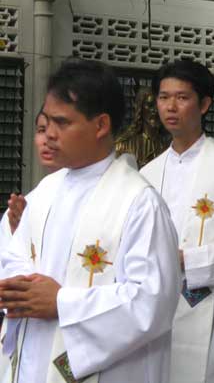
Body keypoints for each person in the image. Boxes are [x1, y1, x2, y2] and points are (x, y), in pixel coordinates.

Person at [0, 59, 180, 383]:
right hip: (32, 360)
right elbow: (13, 256)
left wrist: (61, 303)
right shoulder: (44, 191)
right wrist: (19, 288)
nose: (49, 134)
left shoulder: (140, 203)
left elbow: (153, 303)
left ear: (100, 125)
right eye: (46, 123)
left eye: (62, 123)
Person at [140, 60, 214, 383]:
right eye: (163, 97)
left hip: (213, 312)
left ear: (204, 104)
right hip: (158, 312)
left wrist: (188, 260)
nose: (170, 107)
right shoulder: (146, 175)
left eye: (182, 97)